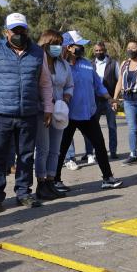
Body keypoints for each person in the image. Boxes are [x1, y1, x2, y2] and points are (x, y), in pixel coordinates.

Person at [0, 12, 54, 213]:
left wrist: (48, 108)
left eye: (22, 30)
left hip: (27, 113)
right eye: (14, 30)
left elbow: (45, 83)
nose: (19, 33)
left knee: (26, 156)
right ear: (6, 32)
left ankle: (23, 193)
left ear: (26, 30)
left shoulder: (38, 53)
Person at [54, 30, 122, 190]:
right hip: (68, 115)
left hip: (89, 114)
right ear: (69, 47)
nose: (83, 48)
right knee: (62, 149)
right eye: (79, 45)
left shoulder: (86, 64)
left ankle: (108, 178)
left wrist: (109, 98)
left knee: (99, 144)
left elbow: (98, 85)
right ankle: (55, 181)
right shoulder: (59, 65)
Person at [35, 29, 74, 200]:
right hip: (41, 111)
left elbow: (69, 85)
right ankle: (41, 184)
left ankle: (51, 181)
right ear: (45, 44)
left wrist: (66, 98)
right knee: (42, 149)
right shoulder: (37, 62)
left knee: (55, 150)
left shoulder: (63, 64)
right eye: (54, 44)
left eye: (60, 44)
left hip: (59, 111)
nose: (58, 47)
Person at [93, 41, 120, 159]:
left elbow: (119, 81)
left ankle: (113, 151)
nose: (99, 52)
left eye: (101, 50)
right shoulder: (90, 64)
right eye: (96, 51)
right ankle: (91, 153)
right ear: (94, 52)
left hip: (109, 100)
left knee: (112, 127)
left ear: (105, 51)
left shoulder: (113, 63)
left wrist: (115, 99)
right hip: (94, 100)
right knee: (92, 127)